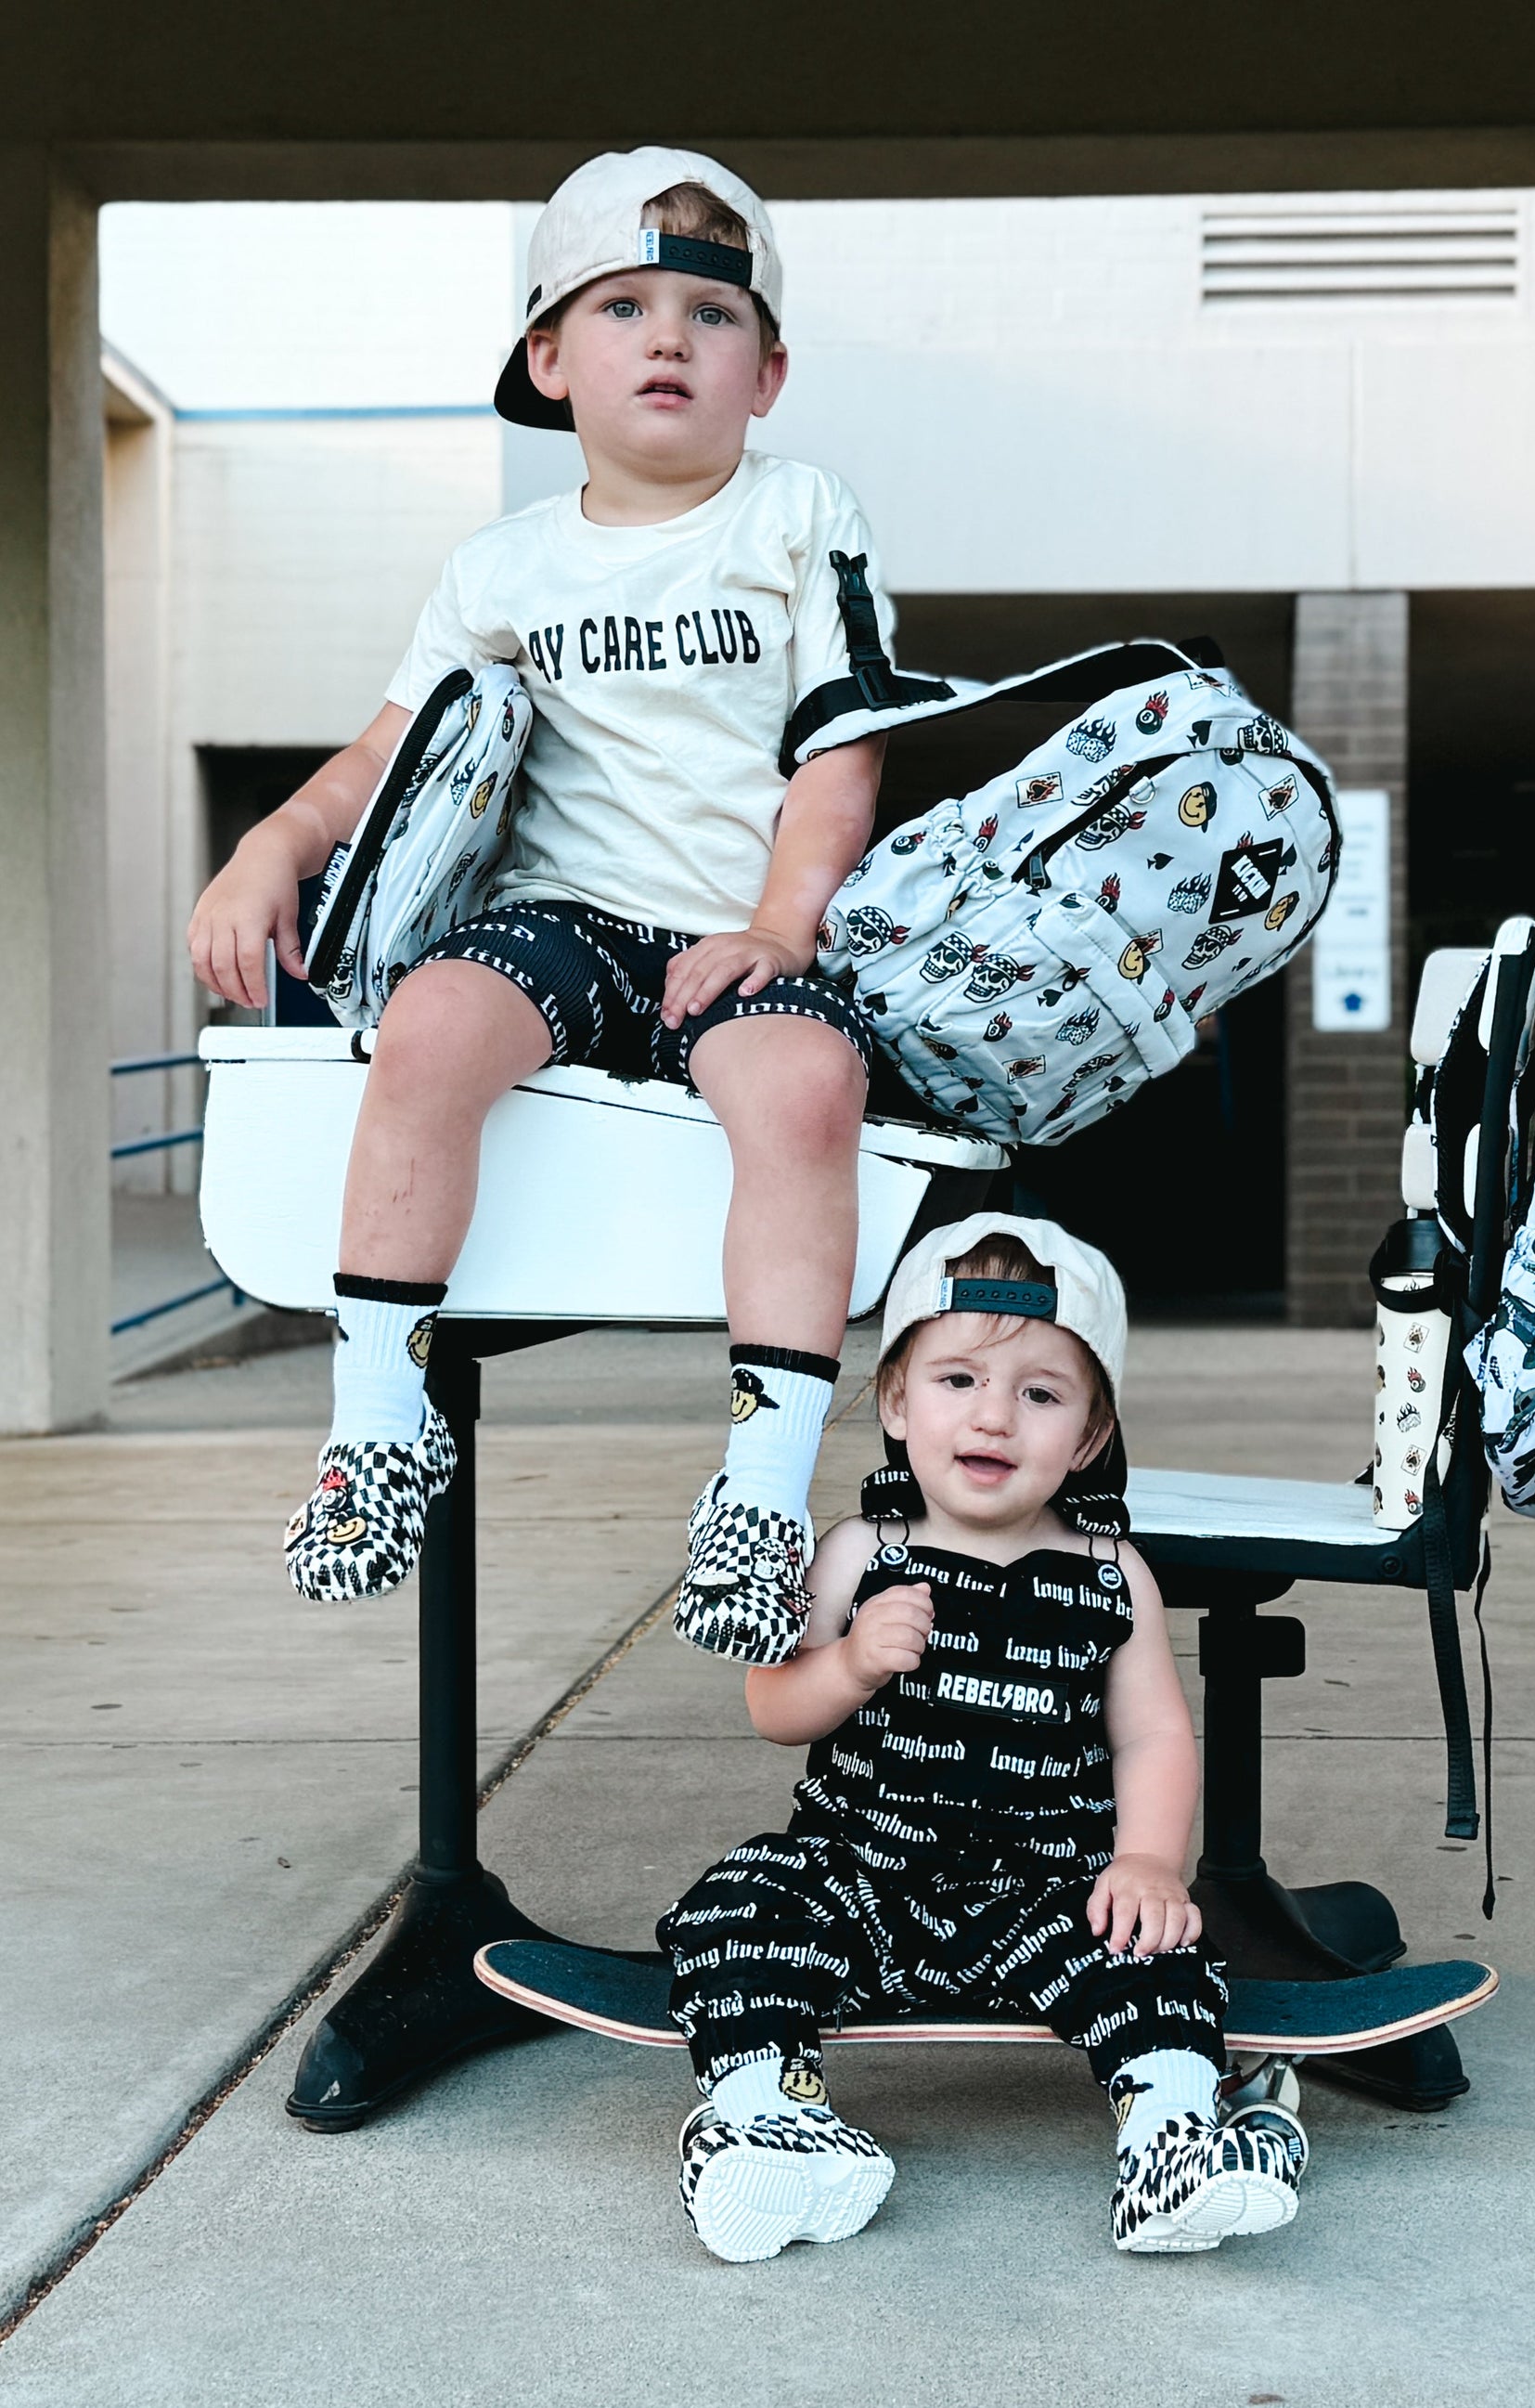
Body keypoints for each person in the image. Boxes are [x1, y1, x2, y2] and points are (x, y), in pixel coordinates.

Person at [187, 149, 902, 1660]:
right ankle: (378, 1420)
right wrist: (269, 844)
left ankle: (761, 1489)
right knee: (431, 1019)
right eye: (621, 306)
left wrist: (782, 929)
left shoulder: (798, 514)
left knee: (807, 1082)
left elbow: (841, 753)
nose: (667, 337)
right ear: (548, 358)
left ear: (767, 374)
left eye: (710, 314)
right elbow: (385, 759)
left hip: (740, 927)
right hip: (560, 916)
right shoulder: (501, 566)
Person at [657, 1213, 1308, 2261]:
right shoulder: (858, 1552)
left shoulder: (1111, 1574)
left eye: (1040, 1394)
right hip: (860, 1882)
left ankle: (1170, 2138)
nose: (994, 1416)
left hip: (1046, 1896)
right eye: (957, 1379)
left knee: (1161, 1952)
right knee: (738, 1904)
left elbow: (1152, 1736)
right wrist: (850, 1662)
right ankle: (766, 2118)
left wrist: (1147, 1862)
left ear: (1088, 1436)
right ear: (896, 1401)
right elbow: (771, 1709)